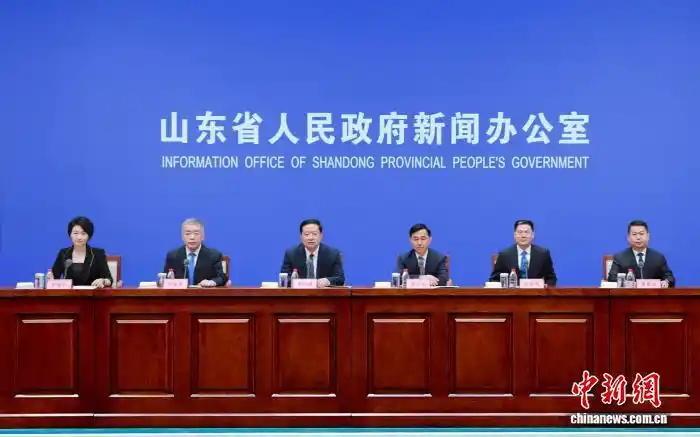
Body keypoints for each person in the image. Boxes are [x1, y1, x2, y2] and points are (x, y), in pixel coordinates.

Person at [607, 220, 675, 287]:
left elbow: (670, 278)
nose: (638, 237)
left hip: (653, 294)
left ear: (648, 236)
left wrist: (666, 282)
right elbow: (612, 279)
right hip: (629, 293)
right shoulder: (620, 257)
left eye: (641, 234)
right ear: (628, 237)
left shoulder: (658, 257)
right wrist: (628, 283)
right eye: (634, 234)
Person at [489, 219, 557, 286]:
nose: (523, 235)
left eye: (526, 232)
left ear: (533, 235)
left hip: (535, 292)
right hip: (512, 292)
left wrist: (545, 287)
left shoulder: (543, 254)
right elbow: (494, 279)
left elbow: (551, 278)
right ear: (514, 235)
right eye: (520, 232)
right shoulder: (504, 255)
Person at [50, 216, 113, 287]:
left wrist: (103, 281)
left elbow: (109, 279)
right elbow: (54, 278)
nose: (79, 237)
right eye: (75, 233)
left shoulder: (98, 254)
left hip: (92, 293)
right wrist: (50, 278)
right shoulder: (63, 253)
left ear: (89, 236)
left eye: (83, 233)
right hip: (69, 293)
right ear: (70, 235)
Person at [164, 218, 227, 287]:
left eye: (196, 233)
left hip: (204, 293)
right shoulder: (173, 256)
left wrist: (212, 282)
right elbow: (165, 277)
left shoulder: (214, 255)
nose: (192, 237)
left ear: (203, 236)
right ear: (182, 237)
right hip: (180, 293)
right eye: (187, 234)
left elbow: (222, 277)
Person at [280, 218, 345, 287]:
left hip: (323, 293)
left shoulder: (333, 254)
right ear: (301, 236)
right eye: (306, 234)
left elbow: (340, 279)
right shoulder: (291, 254)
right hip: (300, 293)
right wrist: (302, 283)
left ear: (321, 235)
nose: (310, 238)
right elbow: (284, 279)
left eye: (314, 234)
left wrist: (327, 281)